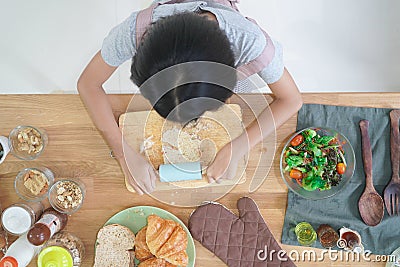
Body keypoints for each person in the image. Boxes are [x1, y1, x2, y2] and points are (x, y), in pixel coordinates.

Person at [77, 0, 303, 195]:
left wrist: (238, 147)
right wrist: (122, 153)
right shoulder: (134, 31)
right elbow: (88, 84)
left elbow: (291, 100)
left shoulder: (250, 41)